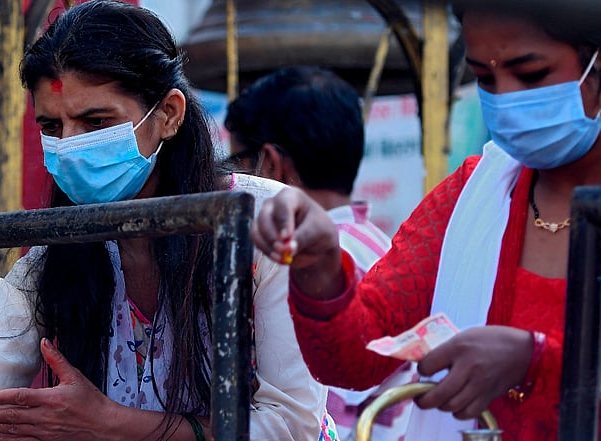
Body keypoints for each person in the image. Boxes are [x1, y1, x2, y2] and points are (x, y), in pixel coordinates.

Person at [0, 2, 333, 440]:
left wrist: (111, 423)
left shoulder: (262, 224)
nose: (70, 144)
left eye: (95, 122)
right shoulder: (53, 256)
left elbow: (293, 427)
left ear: (169, 115)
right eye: (51, 125)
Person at [252, 2, 601, 440]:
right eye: (486, 78)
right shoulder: (472, 196)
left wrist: (537, 362)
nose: (508, 100)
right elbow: (356, 359)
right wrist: (319, 269)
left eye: (531, 75)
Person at [225, 66, 413, 440]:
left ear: (270, 165)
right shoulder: (381, 246)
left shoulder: (311, 265)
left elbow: (318, 416)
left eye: (236, 165)